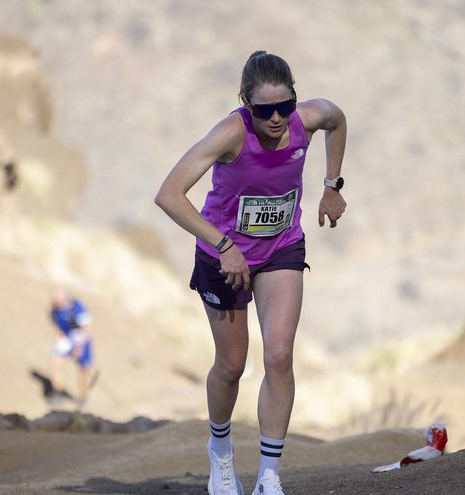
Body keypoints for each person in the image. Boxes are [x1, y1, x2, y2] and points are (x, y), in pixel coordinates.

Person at [155, 50, 347, 495]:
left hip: (281, 248)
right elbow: (169, 195)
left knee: (279, 355)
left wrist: (332, 186)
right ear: (245, 103)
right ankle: (220, 454)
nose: (277, 118)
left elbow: (337, 120)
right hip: (224, 256)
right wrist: (224, 246)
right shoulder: (229, 134)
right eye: (265, 110)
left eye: (285, 106)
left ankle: (268, 476)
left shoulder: (307, 117)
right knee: (232, 365)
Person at [49, 288, 94, 402]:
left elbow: (86, 329)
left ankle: (84, 396)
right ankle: (58, 391)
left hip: (80, 339)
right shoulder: (55, 310)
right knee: (55, 364)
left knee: (84, 370)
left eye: (59, 301)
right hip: (66, 339)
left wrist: (79, 347)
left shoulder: (77, 308)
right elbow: (57, 324)